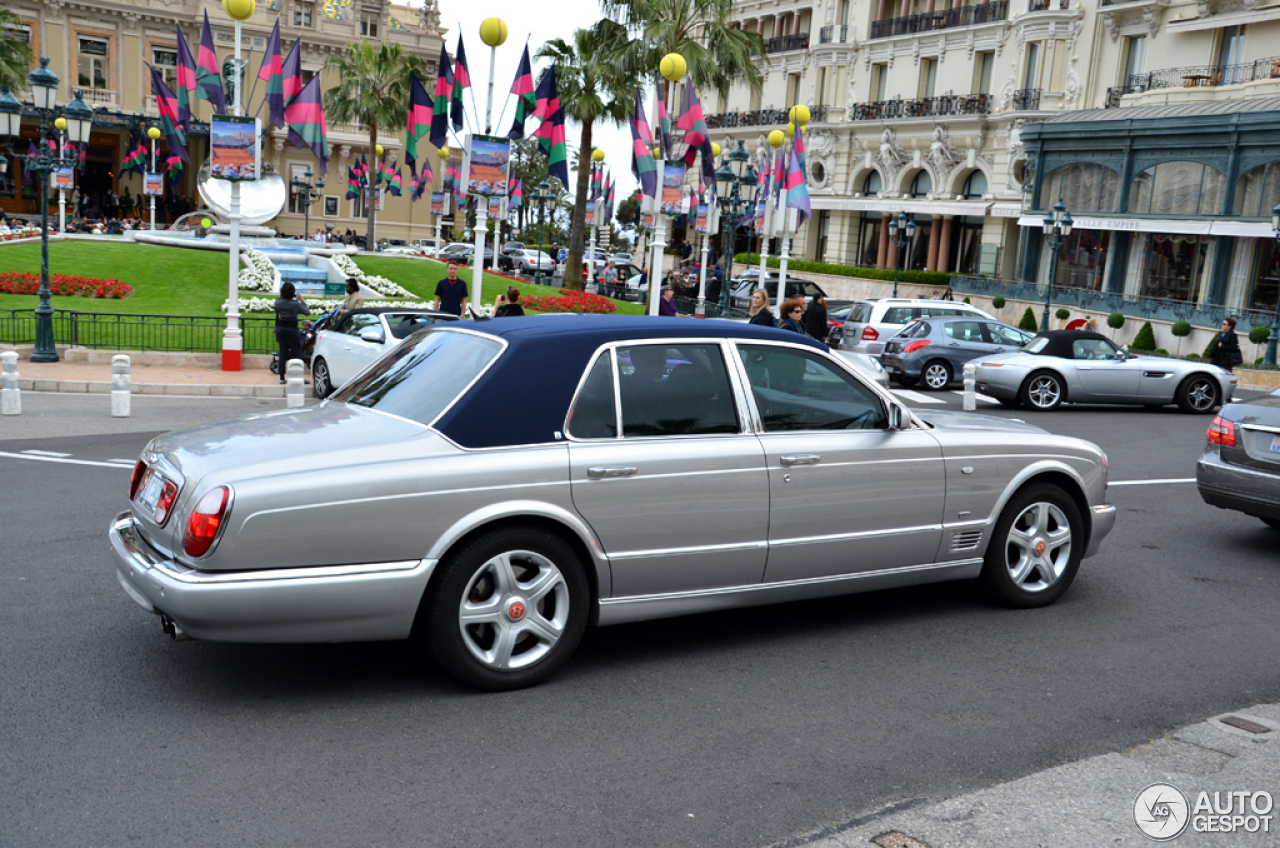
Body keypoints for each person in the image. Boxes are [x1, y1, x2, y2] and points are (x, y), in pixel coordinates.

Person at [273, 282, 311, 384]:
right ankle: (298, 377)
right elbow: (307, 312)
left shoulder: (278, 302)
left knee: (283, 353)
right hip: (292, 329)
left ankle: (281, 378)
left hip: (281, 328)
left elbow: (277, 310)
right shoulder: (295, 304)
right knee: (297, 353)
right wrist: (301, 301)